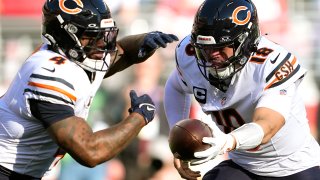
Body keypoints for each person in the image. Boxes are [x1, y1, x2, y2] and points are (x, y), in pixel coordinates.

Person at [0, 0, 178, 179]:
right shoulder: (49, 72)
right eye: (93, 36)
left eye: (104, 35)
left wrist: (145, 40)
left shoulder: (75, 57)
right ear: (65, 35)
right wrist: (139, 117)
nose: (102, 44)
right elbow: (90, 151)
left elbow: (123, 51)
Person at [163, 0, 320, 179]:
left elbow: (267, 125)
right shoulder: (189, 55)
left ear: (245, 42)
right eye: (205, 48)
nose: (211, 55)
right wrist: (178, 136)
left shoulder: (270, 63)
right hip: (243, 165)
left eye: (220, 47)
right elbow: (175, 86)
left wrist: (229, 141)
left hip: (294, 165)